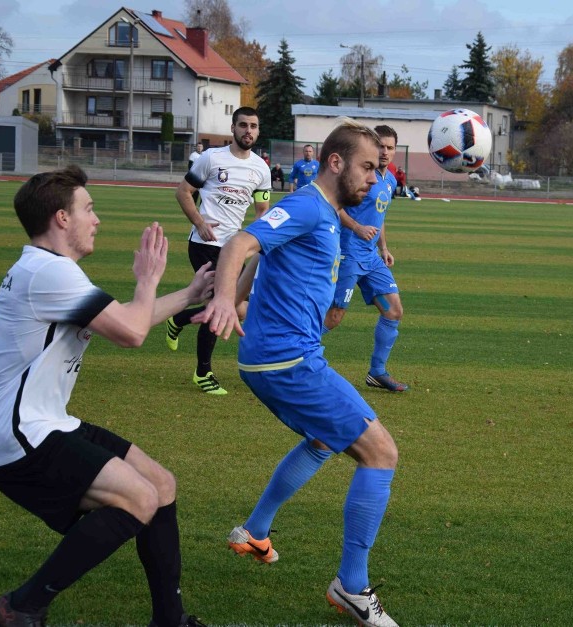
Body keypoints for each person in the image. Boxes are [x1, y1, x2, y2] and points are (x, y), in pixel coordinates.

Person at [0, 165, 213, 627]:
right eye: (89, 208)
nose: (96, 219)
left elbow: (125, 318)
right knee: (137, 499)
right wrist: (148, 277)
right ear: (61, 218)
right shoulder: (50, 272)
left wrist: (187, 294)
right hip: (17, 433)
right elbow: (131, 332)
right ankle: (22, 605)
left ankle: (170, 619)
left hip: (42, 421)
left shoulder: (45, 270)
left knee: (160, 486)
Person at [190, 118, 399, 627]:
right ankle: (352, 587)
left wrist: (236, 301)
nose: (375, 178)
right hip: (290, 360)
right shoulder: (308, 203)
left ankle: (255, 531)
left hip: (274, 359)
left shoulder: (324, 212)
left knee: (326, 440)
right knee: (380, 453)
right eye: (368, 167)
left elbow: (262, 260)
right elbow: (242, 243)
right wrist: (222, 300)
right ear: (335, 162)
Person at [166, 106, 271, 395]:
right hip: (204, 244)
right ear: (233, 128)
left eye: (253, 126)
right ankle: (203, 373)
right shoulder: (210, 159)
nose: (248, 131)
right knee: (221, 304)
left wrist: (251, 242)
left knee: (235, 308)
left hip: (232, 249)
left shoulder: (261, 169)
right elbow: (183, 192)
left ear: (258, 131)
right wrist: (198, 222)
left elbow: (263, 211)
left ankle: (180, 319)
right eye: (243, 125)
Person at [324, 125, 409, 392]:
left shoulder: (390, 180)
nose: (385, 152)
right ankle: (290, 359)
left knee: (393, 310)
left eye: (390, 147)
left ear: (395, 151)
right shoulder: (359, 175)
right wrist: (357, 228)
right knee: (334, 317)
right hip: (348, 254)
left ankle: (377, 372)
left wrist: (384, 247)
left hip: (371, 258)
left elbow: (379, 217)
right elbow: (334, 206)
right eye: (380, 146)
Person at [187, 142, 204, 206]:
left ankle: (202, 206)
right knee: (195, 192)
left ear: (202, 148)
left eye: (200, 146)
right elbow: (190, 166)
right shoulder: (193, 155)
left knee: (203, 192)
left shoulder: (204, 155)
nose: (199, 148)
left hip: (203, 177)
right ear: (196, 147)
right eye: (198, 146)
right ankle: (192, 205)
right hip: (196, 177)